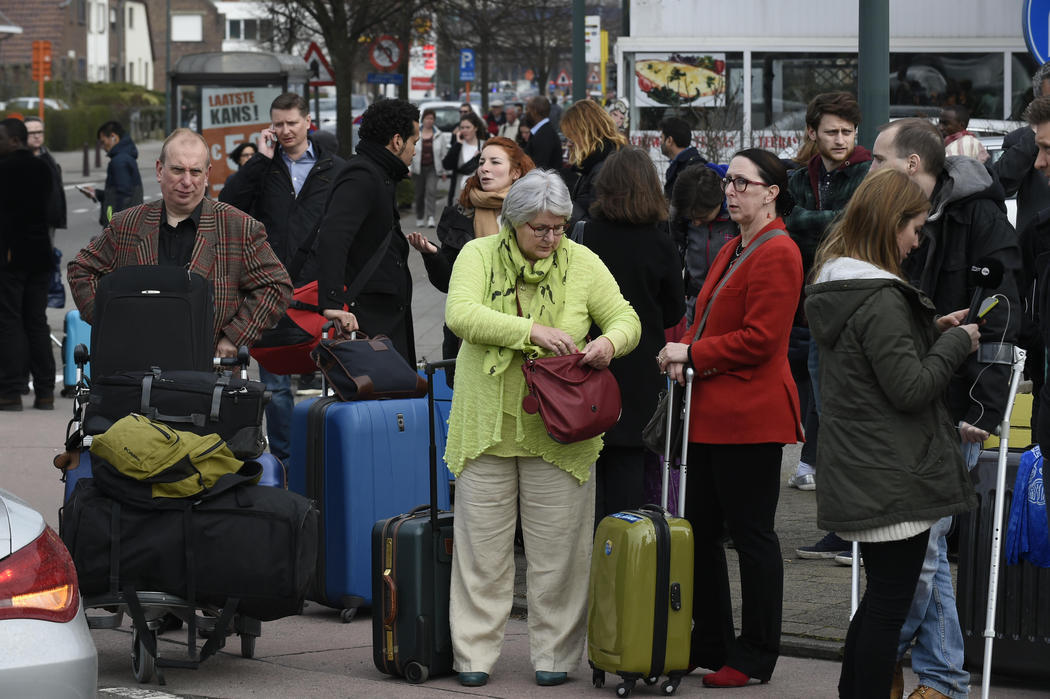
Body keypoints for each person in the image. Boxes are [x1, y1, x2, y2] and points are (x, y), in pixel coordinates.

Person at [443, 169, 640, 688]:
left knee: (560, 556)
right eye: (540, 228)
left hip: (562, 436)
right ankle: (473, 656)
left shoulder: (583, 262)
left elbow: (626, 317)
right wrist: (530, 331)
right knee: (481, 553)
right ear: (513, 223)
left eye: (559, 227)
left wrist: (609, 344)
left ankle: (555, 656)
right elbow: (460, 314)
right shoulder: (477, 255)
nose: (552, 237)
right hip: (486, 427)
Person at [806, 168, 979, 699]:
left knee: (879, 601)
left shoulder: (842, 286)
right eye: (914, 227)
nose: (917, 239)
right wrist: (956, 345)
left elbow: (871, 361)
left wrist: (929, 330)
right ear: (889, 225)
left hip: (863, 465)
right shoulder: (881, 296)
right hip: (892, 473)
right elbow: (908, 388)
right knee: (888, 606)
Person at [869, 117, 1021, 699]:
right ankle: (939, 675)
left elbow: (1002, 315)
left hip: (951, 403)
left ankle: (908, 663)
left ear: (911, 165)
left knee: (925, 548)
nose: (870, 168)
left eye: (880, 158)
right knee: (923, 548)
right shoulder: (898, 220)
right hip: (911, 402)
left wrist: (981, 411)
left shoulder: (975, 216)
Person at [658, 148, 803, 689]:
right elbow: (703, 315)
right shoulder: (736, 246)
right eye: (729, 181)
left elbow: (763, 341)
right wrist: (680, 349)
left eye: (743, 182)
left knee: (752, 538)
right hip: (711, 415)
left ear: (772, 192)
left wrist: (691, 355)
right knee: (699, 533)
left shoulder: (779, 251)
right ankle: (711, 641)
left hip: (750, 420)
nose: (731, 190)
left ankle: (756, 652)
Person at [68, 128, 292, 359]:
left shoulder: (239, 227)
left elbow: (277, 286)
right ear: (159, 170)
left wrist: (235, 336)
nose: (187, 181)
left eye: (195, 172)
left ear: (207, 175)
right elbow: (81, 269)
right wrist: (113, 324)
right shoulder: (126, 225)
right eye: (177, 170)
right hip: (137, 371)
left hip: (210, 376)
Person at [219, 92, 345, 465]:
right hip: (268, 289)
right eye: (278, 123)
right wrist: (260, 160)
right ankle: (287, 461)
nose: (285, 130)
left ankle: (326, 458)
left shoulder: (333, 168)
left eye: (292, 122)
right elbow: (229, 201)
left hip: (319, 287)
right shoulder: (265, 168)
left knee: (330, 377)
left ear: (309, 122)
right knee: (274, 385)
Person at [574, 146, 685, 520]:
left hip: (588, 365)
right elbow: (673, 309)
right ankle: (621, 562)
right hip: (641, 370)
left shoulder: (585, 236)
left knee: (585, 466)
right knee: (629, 473)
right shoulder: (660, 243)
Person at [784, 93, 870, 525]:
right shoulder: (802, 176)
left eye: (847, 132)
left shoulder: (869, 170)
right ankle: (838, 522)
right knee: (822, 403)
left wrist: (806, 219)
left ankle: (847, 523)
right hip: (815, 302)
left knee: (840, 408)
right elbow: (789, 224)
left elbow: (852, 225)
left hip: (854, 302)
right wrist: (819, 221)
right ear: (812, 132)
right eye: (832, 131)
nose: (841, 140)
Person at [407, 136, 535, 369]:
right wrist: (432, 255)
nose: (485, 168)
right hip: (471, 331)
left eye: (495, 162)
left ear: (515, 172)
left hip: (526, 326)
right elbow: (448, 283)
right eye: (482, 162)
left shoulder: (534, 214)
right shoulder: (460, 214)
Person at [316, 99, 420, 365]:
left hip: (380, 316)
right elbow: (333, 235)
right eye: (414, 142)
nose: (415, 150)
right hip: (368, 320)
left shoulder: (378, 173)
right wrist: (333, 304)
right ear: (397, 141)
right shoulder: (363, 174)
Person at [0, 118, 56, 411]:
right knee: (36, 321)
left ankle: (11, 391)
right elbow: (53, 210)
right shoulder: (43, 167)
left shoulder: (6, 169)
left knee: (10, 321)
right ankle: (45, 391)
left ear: (13, 140)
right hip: (41, 253)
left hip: (11, 255)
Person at [670, 162, 737, 322]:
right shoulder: (683, 212)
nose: (696, 223)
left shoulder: (736, 216)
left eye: (702, 217)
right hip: (695, 295)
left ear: (720, 201)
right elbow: (677, 248)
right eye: (691, 219)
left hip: (728, 297)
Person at [559, 99, 626, 225]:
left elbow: (599, 227)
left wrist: (566, 205)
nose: (568, 144)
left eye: (571, 138)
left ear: (586, 134)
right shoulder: (595, 162)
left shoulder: (604, 168)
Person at [79, 120, 143, 227]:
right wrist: (96, 193)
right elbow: (117, 193)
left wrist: (116, 227)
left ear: (113, 137)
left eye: (103, 142)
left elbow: (124, 197)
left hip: (122, 229)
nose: (103, 147)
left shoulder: (119, 161)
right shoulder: (125, 158)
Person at [24, 117, 66, 243]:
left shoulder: (48, 157)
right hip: (26, 224)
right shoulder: (17, 160)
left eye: (39, 132)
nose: (36, 136)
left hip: (48, 222)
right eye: (31, 133)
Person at [411, 108, 449, 228]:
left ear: (434, 120)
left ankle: (431, 217)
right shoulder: (415, 133)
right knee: (419, 194)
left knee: (431, 191)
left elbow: (444, 154)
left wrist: (444, 171)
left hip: (433, 168)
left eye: (431, 118)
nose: (429, 121)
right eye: (427, 118)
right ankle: (420, 216)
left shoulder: (439, 135)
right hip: (418, 168)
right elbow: (409, 150)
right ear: (423, 120)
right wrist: (409, 168)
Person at [442, 111, 486, 208]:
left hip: (479, 192)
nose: (464, 130)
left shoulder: (484, 146)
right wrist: (458, 144)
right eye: (462, 128)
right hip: (458, 192)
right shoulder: (458, 145)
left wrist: (480, 158)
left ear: (476, 128)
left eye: (468, 127)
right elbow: (446, 165)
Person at [660, 116, 705, 198]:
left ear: (669, 140)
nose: (660, 142)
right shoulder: (681, 165)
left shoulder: (693, 168)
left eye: (661, 138)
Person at [523, 96, 563, 171]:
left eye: (527, 109)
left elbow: (540, 167)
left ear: (534, 111)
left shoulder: (544, 135)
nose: (525, 113)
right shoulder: (543, 132)